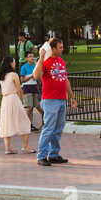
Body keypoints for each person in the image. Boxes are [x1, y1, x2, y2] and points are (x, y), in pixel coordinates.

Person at [33, 38, 77, 166]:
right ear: (52, 49)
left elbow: (65, 80)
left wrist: (72, 97)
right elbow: (36, 76)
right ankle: (41, 156)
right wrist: (41, 57)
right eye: (60, 47)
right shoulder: (45, 61)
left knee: (58, 129)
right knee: (48, 128)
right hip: (50, 100)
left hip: (61, 99)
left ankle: (53, 154)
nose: (63, 49)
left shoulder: (61, 61)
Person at [0, 56, 35, 155]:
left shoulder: (2, 76)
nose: (15, 64)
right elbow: (19, 90)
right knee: (25, 121)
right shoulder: (13, 75)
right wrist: (20, 100)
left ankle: (8, 148)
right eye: (14, 62)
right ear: (10, 63)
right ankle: (25, 145)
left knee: (7, 122)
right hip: (14, 98)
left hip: (5, 100)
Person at [20, 51, 44, 131]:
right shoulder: (24, 67)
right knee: (29, 107)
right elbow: (22, 80)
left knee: (36, 106)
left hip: (34, 88)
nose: (32, 58)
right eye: (30, 56)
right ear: (26, 58)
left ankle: (31, 124)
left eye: (33, 56)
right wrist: (31, 77)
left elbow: (37, 76)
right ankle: (24, 123)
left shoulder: (35, 66)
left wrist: (36, 78)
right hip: (27, 89)